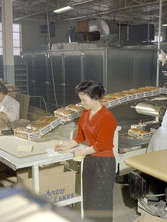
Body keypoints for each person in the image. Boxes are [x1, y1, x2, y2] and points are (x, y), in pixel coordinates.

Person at [55, 80, 117, 222]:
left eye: (84, 100)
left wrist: (82, 152)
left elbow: (102, 145)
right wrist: (66, 147)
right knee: (88, 199)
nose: (82, 103)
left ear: (95, 97)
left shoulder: (107, 117)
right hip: (90, 160)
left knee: (100, 202)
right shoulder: (85, 113)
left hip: (104, 163)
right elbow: (80, 136)